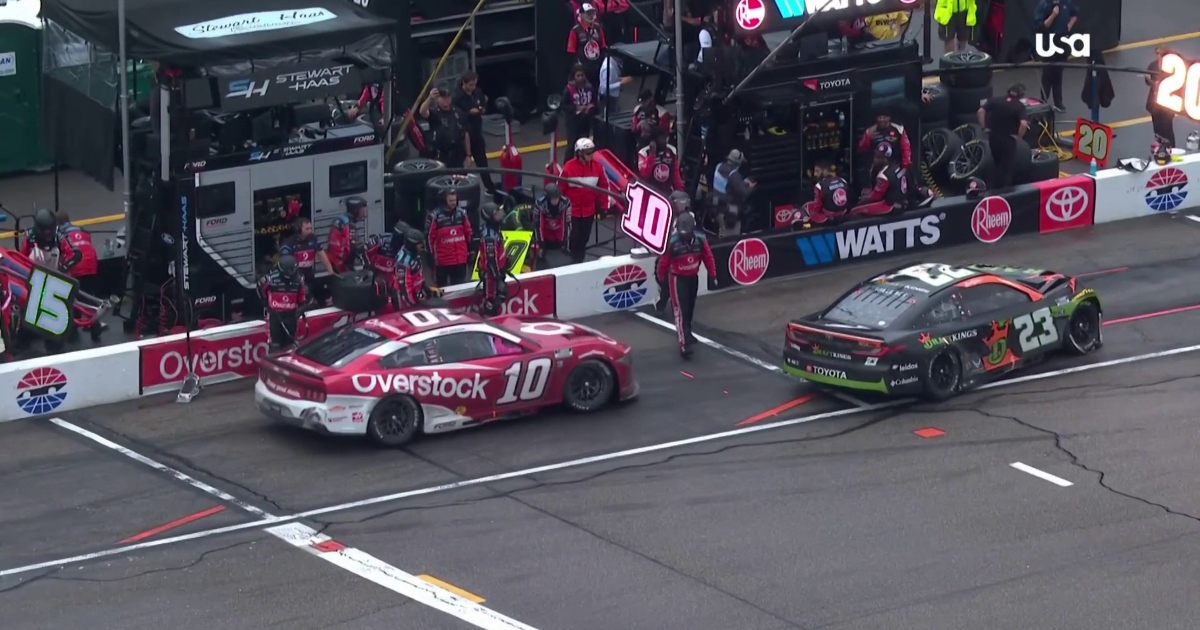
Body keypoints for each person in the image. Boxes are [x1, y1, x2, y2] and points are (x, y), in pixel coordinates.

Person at [655, 211, 716, 358]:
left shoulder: (701, 240)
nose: (685, 237)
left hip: (692, 278)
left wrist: (713, 274)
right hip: (677, 279)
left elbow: (708, 257)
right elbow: (663, 263)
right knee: (680, 312)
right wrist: (661, 278)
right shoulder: (672, 243)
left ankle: (688, 334)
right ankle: (683, 345)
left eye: (687, 234)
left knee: (689, 309)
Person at [559, 138, 611, 263]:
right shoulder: (568, 167)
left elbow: (604, 187)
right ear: (579, 153)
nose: (591, 155)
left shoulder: (598, 167)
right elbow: (560, 188)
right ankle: (570, 261)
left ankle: (579, 261)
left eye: (592, 152)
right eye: (588, 152)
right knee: (572, 238)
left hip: (589, 211)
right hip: (572, 212)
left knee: (584, 239)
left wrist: (605, 206)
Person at [978, 83, 1029, 189]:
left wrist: (984, 127)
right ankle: (1005, 193)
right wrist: (1018, 137)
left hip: (993, 137)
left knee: (996, 165)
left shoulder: (995, 100)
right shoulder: (1019, 106)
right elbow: (1024, 124)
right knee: (1007, 169)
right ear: (1021, 94)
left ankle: (992, 189)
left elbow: (980, 111)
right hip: (1008, 140)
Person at [453, 71, 496, 194]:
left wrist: (482, 109)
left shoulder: (478, 92)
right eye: (471, 85)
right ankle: (460, 190)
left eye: (474, 84)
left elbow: (483, 103)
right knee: (463, 165)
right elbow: (455, 113)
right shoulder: (457, 97)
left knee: (483, 163)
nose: (473, 87)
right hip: (463, 135)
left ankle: (490, 187)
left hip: (477, 133)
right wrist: (468, 113)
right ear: (464, 83)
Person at [1034, 0, 1077, 113]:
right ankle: (1043, 102)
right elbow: (1041, 27)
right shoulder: (1043, 5)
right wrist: (1053, 15)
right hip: (1048, 44)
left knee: (1058, 74)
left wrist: (1069, 25)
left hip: (1062, 43)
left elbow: (1074, 14)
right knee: (1047, 75)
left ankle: (1058, 102)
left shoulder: (1066, 2)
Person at [279, 217, 334, 305]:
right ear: (298, 229)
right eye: (307, 229)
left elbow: (322, 256)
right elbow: (284, 262)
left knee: (320, 291)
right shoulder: (289, 243)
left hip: (310, 274)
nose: (310, 231)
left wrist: (331, 273)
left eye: (311, 228)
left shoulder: (313, 239)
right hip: (296, 277)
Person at [425, 189, 473, 286]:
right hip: (442, 261)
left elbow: (469, 232)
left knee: (459, 289)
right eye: (450, 201)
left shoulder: (462, 213)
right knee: (442, 290)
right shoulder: (435, 216)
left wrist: (470, 250)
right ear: (444, 200)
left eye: (455, 200)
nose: (453, 203)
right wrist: (430, 255)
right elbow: (429, 237)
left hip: (460, 260)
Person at [259, 254, 306, 351]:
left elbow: (302, 298)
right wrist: (267, 305)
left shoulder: (299, 280)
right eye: (289, 271)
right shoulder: (271, 278)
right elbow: (259, 289)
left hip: (291, 315)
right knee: (275, 345)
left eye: (293, 270)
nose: (291, 273)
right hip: (275, 315)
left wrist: (301, 309)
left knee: (289, 345)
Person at [419, 88, 472, 168]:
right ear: (438, 100)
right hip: (440, 155)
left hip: (457, 155)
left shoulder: (458, 113)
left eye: (448, 97)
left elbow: (465, 134)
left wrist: (468, 154)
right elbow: (422, 112)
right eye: (443, 98)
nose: (446, 100)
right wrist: (430, 98)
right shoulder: (434, 113)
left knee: (458, 178)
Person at [853, 144, 907, 216]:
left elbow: (876, 196)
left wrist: (864, 199)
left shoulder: (883, 175)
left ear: (885, 159)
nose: (875, 159)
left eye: (878, 157)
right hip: (902, 200)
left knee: (855, 210)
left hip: (891, 206)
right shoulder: (897, 166)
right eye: (875, 156)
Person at [54, 210, 99, 295]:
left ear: (57, 223)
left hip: (76, 269)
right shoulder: (83, 231)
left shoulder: (60, 236)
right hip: (92, 266)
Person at [476, 203, 509, 316]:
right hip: (491, 277)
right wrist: (498, 280)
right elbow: (491, 261)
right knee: (491, 302)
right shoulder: (489, 236)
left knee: (498, 301)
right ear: (490, 217)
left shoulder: (495, 230)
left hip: (497, 273)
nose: (501, 216)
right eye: (497, 214)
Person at [710, 149, 754, 236]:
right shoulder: (733, 175)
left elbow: (728, 184)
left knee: (722, 231)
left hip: (717, 208)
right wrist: (751, 187)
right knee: (731, 238)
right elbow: (743, 193)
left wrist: (742, 183)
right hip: (729, 213)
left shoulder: (719, 167)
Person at [563, 65, 598, 159]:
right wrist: (576, 108)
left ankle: (582, 165)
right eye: (578, 75)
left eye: (582, 75)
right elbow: (563, 105)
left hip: (585, 120)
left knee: (584, 145)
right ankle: (567, 167)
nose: (580, 78)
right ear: (574, 76)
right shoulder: (569, 88)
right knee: (571, 146)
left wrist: (591, 106)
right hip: (573, 122)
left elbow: (595, 101)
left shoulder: (589, 87)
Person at [637, 126, 684, 195]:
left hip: (667, 191)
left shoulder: (671, 150)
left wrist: (680, 189)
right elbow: (644, 174)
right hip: (650, 191)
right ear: (654, 140)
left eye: (665, 138)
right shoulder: (644, 152)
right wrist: (652, 155)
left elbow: (675, 172)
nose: (665, 140)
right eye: (661, 138)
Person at [327, 198, 368, 273]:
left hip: (333, 260)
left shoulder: (340, 220)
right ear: (356, 210)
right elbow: (351, 248)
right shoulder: (349, 225)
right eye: (362, 210)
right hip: (342, 264)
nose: (364, 212)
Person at [567, 4, 607, 80]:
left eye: (592, 13)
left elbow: (603, 46)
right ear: (581, 15)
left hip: (597, 66)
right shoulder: (575, 30)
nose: (591, 16)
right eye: (588, 13)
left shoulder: (598, 28)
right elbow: (571, 52)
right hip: (583, 67)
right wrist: (578, 67)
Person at [533, 183, 572, 261]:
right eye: (553, 199)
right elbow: (537, 225)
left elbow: (567, 223)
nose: (555, 201)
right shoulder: (539, 204)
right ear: (548, 198)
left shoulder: (566, 203)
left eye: (557, 198)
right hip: (545, 230)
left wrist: (565, 244)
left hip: (559, 230)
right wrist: (541, 244)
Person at [1147, 47, 1176, 147]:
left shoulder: (1171, 67)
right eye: (1158, 54)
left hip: (1166, 105)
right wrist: (1151, 82)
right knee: (1157, 129)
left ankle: (1171, 148)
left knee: (1167, 129)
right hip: (1155, 105)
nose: (1159, 56)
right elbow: (1148, 79)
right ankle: (1160, 147)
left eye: (1161, 54)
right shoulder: (1153, 65)